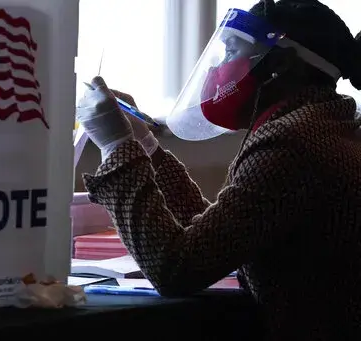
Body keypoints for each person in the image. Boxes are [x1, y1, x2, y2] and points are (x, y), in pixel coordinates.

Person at [76, 0, 361, 339]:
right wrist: (146, 147)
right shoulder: (322, 124)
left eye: (233, 52)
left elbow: (176, 269)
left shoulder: (291, 142)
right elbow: (217, 240)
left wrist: (116, 148)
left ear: (281, 64)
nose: (221, 68)